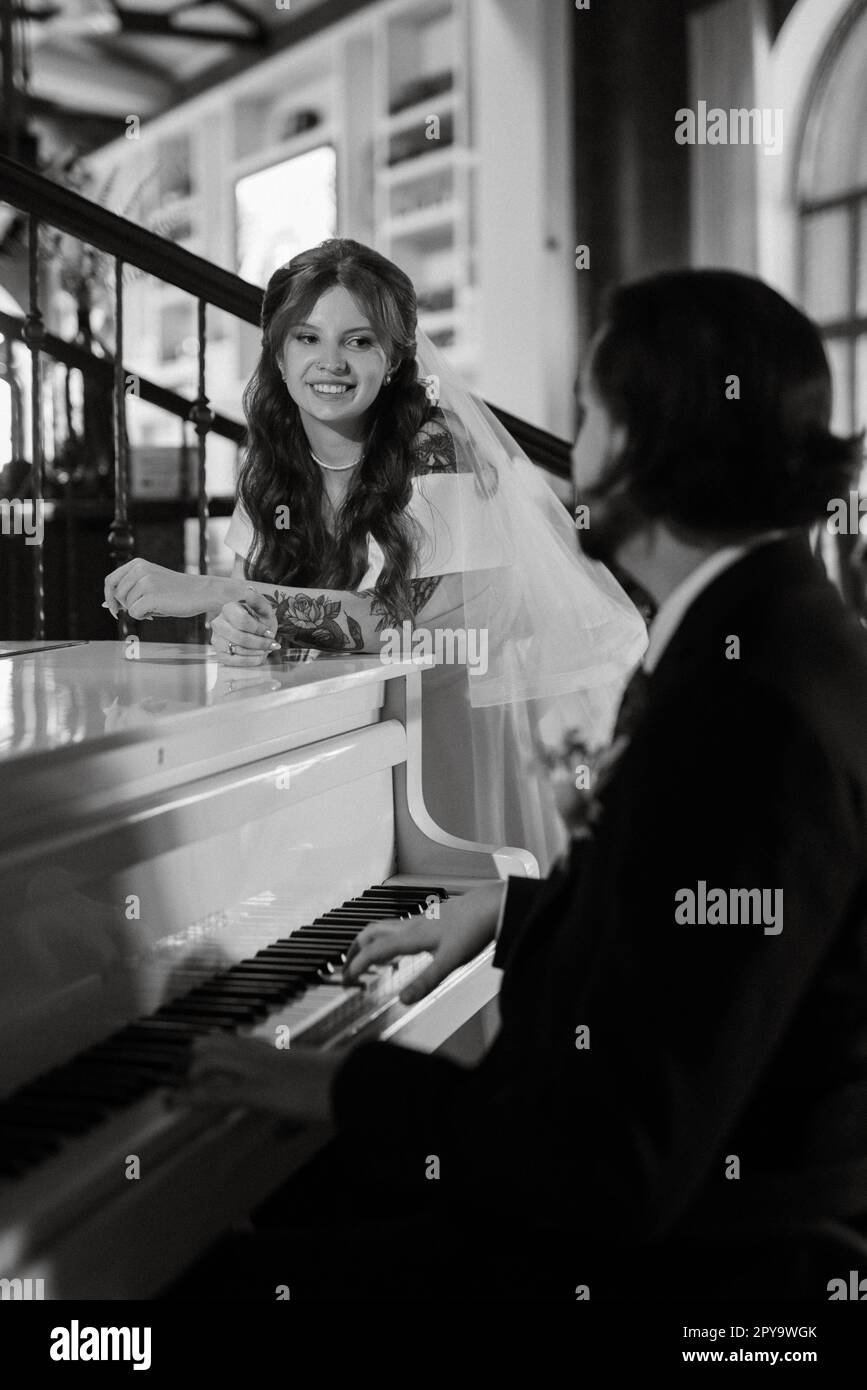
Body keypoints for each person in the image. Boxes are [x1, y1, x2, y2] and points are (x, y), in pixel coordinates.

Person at [172, 268, 867, 1302]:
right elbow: (701, 950)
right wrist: (519, 906)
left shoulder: (744, 710)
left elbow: (612, 1162)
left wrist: (344, 1084)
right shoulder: (775, 637)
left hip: (704, 1269)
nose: (566, 453)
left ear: (641, 440)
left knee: (187, 1288)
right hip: (676, 1203)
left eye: (586, 412)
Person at [104, 239, 646, 871]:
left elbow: (397, 625)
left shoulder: (436, 447)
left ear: (393, 360)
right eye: (307, 338)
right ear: (278, 353)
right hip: (328, 734)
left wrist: (211, 595)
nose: (330, 362)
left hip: (445, 740)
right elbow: (254, 598)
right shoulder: (268, 457)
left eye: (358, 341)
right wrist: (241, 627)